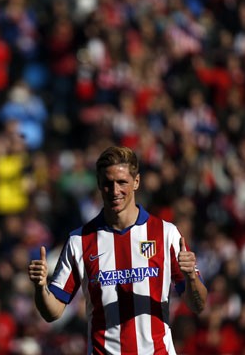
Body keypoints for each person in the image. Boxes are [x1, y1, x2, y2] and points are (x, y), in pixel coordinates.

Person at [28, 146, 207, 354]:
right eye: (108, 183)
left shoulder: (166, 234)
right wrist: (41, 288)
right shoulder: (80, 241)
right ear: (98, 184)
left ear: (136, 182)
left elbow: (198, 305)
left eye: (122, 182)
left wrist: (191, 279)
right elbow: (53, 312)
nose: (115, 191)